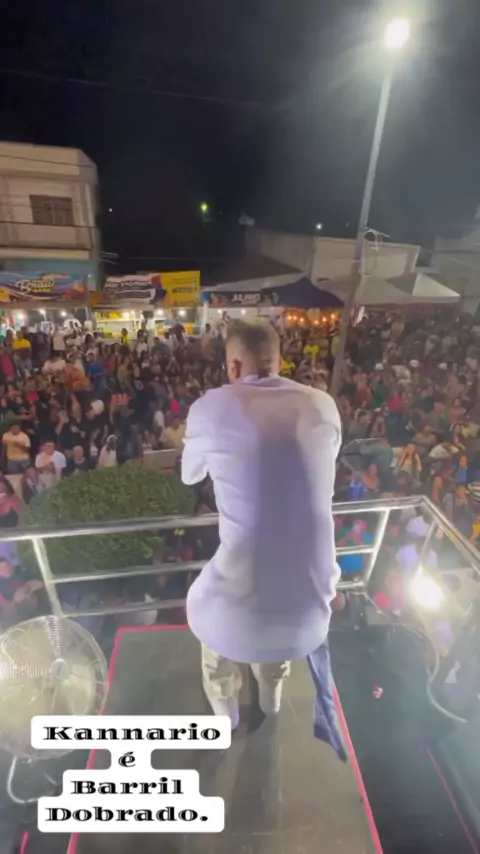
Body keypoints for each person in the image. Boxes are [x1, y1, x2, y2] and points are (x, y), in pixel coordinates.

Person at [182, 319, 341, 728]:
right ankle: (271, 697)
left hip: (239, 617)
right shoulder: (323, 404)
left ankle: (226, 713)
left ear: (233, 366)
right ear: (279, 361)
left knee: (210, 631)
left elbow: (189, 474)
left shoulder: (211, 407)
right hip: (310, 618)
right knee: (275, 613)